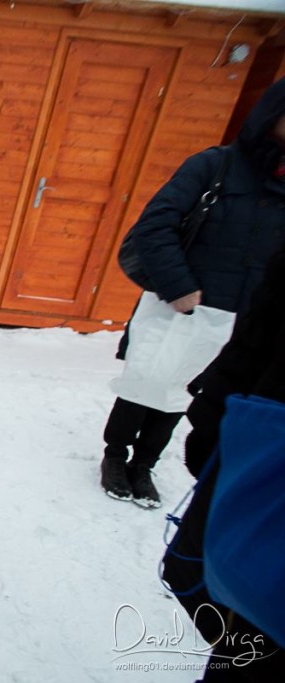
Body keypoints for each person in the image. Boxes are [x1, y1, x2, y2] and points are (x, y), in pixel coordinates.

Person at [100, 77, 285, 508]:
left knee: (182, 392)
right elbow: (155, 226)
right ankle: (115, 455)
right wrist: (179, 286)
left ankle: (144, 464)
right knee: (144, 382)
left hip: (238, 319)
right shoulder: (215, 166)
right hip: (177, 303)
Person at [162, 245, 285, 681]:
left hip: (261, 446)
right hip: (266, 450)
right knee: (230, 593)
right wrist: (214, 422)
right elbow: (261, 332)